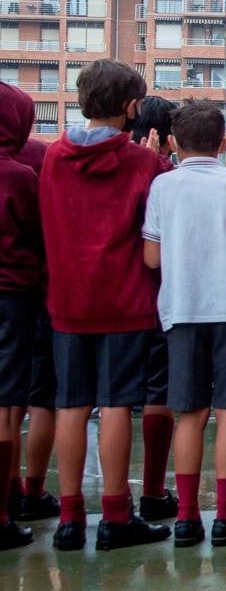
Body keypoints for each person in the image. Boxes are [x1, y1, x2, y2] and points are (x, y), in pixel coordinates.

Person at [39, 59, 172, 551]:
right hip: (125, 300)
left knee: (71, 406)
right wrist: (154, 155)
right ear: (131, 106)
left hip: (68, 301)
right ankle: (117, 513)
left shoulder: (54, 157)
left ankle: (71, 517)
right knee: (116, 406)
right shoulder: (141, 163)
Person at [141, 101, 226, 547]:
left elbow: (151, 256)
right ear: (223, 142)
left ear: (173, 142)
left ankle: (187, 517)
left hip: (182, 310)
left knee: (189, 414)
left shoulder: (162, 186)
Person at [130, 96, 180, 524]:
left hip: (95, 294)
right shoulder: (162, 173)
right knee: (157, 393)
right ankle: (151, 490)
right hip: (157, 294)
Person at [8, 137, 59, 527]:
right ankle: (32, 490)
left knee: (9, 402)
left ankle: (8, 492)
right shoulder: (29, 167)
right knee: (41, 396)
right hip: (32, 292)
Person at [0, 83, 39, 550]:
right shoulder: (19, 176)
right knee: (9, 401)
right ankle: (7, 498)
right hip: (13, 296)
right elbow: (37, 235)